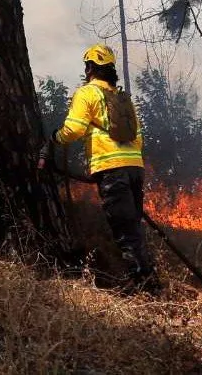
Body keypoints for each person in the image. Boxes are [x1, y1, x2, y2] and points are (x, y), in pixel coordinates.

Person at [43, 44, 160, 293]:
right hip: (134, 169)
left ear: (90, 68)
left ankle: (144, 288)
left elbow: (73, 129)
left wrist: (55, 138)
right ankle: (149, 280)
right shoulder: (122, 98)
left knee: (125, 230)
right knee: (134, 227)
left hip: (111, 169)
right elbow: (139, 139)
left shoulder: (87, 93)